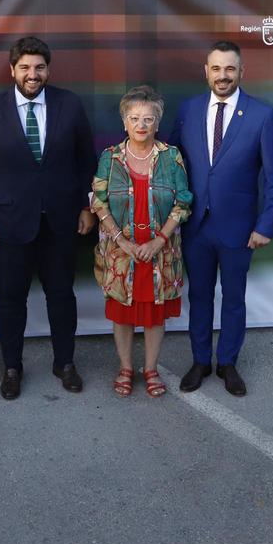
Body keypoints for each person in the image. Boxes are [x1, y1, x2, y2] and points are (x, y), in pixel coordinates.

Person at [0, 36, 97, 401]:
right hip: (8, 224)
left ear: (48, 70)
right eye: (24, 67)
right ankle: (12, 368)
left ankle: (64, 363)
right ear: (12, 70)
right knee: (10, 300)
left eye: (39, 67)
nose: (32, 74)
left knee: (62, 296)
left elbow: (87, 161)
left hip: (61, 221)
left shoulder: (69, 104)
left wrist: (87, 207)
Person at [170, 41, 273, 397]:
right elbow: (173, 164)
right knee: (199, 297)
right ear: (206, 72)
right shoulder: (188, 110)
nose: (223, 76)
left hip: (239, 229)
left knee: (234, 298)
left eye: (230, 69)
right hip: (195, 227)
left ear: (241, 72)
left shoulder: (262, 115)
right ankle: (200, 361)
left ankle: (228, 362)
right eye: (216, 69)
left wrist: (265, 225)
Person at [91, 86, 192, 398]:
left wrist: (159, 241)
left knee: (153, 314)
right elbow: (98, 201)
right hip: (121, 253)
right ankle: (125, 368)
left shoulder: (171, 156)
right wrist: (122, 241)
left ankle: (150, 369)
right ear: (124, 122)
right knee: (122, 312)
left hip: (159, 252)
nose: (141, 125)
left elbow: (183, 203)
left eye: (148, 118)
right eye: (134, 118)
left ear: (157, 123)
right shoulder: (110, 157)